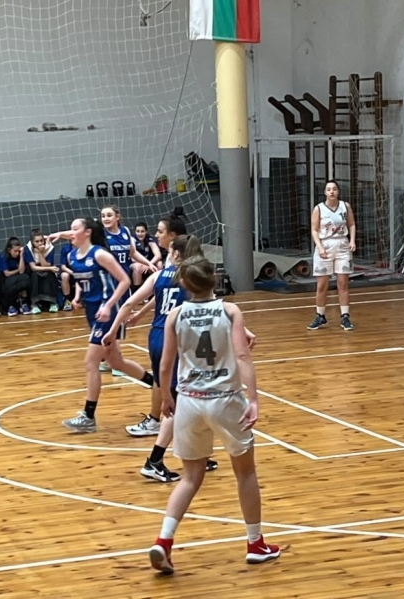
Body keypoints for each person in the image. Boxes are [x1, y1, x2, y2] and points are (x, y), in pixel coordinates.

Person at [148, 255, 280, 574]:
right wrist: (254, 399)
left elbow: (165, 364)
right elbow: (243, 356)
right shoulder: (230, 311)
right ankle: (255, 543)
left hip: (189, 402)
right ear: (214, 280)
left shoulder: (175, 314)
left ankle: (164, 540)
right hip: (225, 400)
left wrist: (166, 397)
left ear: (184, 284)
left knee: (190, 477)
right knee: (245, 473)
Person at [104, 233, 218, 483]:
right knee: (180, 401)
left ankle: (197, 453)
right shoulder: (192, 277)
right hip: (177, 339)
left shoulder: (159, 276)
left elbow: (130, 303)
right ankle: (154, 460)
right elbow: (215, 308)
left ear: (176, 253)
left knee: (185, 398)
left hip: (155, 336)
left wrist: (113, 330)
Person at [61, 216, 156, 433]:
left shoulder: (100, 254)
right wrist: (77, 296)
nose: (70, 232)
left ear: (87, 232)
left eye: (75, 229)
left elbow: (124, 280)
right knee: (116, 362)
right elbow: (83, 280)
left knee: (90, 362)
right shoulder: (72, 255)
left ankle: (88, 416)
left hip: (109, 313)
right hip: (93, 312)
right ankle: (158, 386)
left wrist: (109, 305)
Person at [308, 179, 357, 331]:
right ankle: (320, 315)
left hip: (342, 245)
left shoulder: (345, 206)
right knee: (322, 285)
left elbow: (351, 224)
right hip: (325, 245)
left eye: (334, 189)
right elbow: (314, 230)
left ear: (338, 191)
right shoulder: (319, 209)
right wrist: (319, 247)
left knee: (343, 284)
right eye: (329, 189)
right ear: (325, 192)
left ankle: (345, 316)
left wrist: (352, 240)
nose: (331, 192)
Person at [24, 229, 59, 314]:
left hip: (45, 268)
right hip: (34, 271)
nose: (40, 243)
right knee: (35, 275)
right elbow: (33, 268)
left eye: (41, 240)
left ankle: (52, 303)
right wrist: (50, 268)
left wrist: (41, 253)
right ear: (32, 242)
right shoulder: (27, 249)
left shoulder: (50, 248)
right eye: (37, 241)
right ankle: (34, 304)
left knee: (50, 275)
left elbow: (45, 265)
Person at [0, 237, 32, 316]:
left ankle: (24, 303)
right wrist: (18, 270)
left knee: (26, 278)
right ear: (9, 250)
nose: (17, 253)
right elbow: (7, 274)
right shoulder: (2, 256)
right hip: (7, 280)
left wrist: (21, 256)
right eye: (15, 251)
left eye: (18, 251)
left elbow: (22, 271)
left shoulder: (20, 256)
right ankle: (11, 305)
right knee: (23, 279)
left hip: (19, 278)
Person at [131, 221, 162, 291]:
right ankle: (136, 291)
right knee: (138, 266)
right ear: (135, 232)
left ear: (146, 232)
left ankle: (158, 288)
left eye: (142, 231)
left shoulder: (149, 239)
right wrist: (146, 264)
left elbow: (158, 255)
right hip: (134, 264)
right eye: (138, 231)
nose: (140, 234)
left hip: (148, 264)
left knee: (159, 264)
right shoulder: (132, 240)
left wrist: (149, 264)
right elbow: (133, 258)